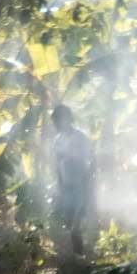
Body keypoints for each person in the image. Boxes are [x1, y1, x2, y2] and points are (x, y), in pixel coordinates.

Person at [51, 104, 96, 255]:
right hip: (66, 186)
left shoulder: (80, 137)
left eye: (58, 120)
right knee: (69, 222)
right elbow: (58, 165)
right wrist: (59, 187)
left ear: (67, 119)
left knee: (76, 224)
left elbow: (91, 160)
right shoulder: (57, 140)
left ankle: (81, 255)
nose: (56, 124)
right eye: (55, 121)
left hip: (80, 185)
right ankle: (77, 256)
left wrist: (88, 184)